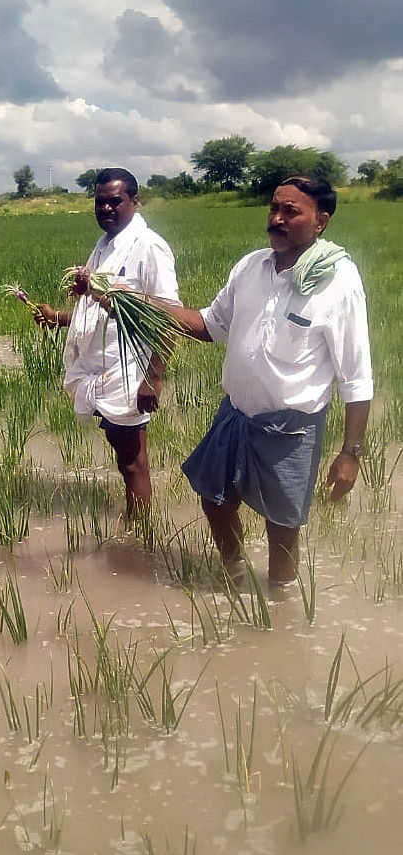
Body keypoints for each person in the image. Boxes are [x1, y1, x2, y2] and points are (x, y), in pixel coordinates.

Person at [116, 175, 373, 583]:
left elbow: (356, 377)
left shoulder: (337, 282)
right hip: (235, 414)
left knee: (282, 530)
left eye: (291, 211)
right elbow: (208, 324)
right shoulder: (251, 267)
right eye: (274, 208)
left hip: (290, 428)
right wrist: (135, 300)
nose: (276, 218)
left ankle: (279, 608)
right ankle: (234, 573)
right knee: (214, 501)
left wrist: (350, 454)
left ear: (321, 221)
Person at [34, 167, 179, 515]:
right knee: (123, 453)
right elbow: (101, 310)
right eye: (100, 203)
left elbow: (170, 316)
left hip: (130, 368)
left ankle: (141, 536)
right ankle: (136, 526)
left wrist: (153, 377)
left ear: (134, 201)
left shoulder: (149, 247)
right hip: (102, 366)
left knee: (133, 461)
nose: (107, 209)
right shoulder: (104, 247)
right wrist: (59, 318)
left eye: (115, 202)